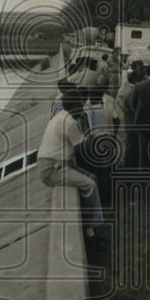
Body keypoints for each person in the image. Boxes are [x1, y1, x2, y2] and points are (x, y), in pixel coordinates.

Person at [38, 88, 106, 250]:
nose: (83, 109)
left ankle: (90, 231)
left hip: (53, 165)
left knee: (88, 181)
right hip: (52, 169)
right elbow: (82, 150)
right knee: (90, 185)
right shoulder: (70, 122)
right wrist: (88, 131)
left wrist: (85, 172)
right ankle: (94, 228)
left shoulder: (60, 117)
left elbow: (71, 157)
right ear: (74, 106)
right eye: (80, 106)